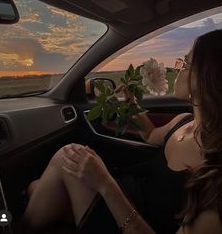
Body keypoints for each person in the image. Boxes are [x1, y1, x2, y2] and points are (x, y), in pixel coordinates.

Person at [22, 30, 222, 234]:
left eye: (186, 64)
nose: (178, 68)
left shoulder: (216, 175)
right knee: (37, 186)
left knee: (67, 157)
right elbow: (151, 136)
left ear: (211, 76)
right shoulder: (183, 122)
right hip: (132, 197)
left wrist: (104, 183)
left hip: (133, 220)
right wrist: (131, 105)